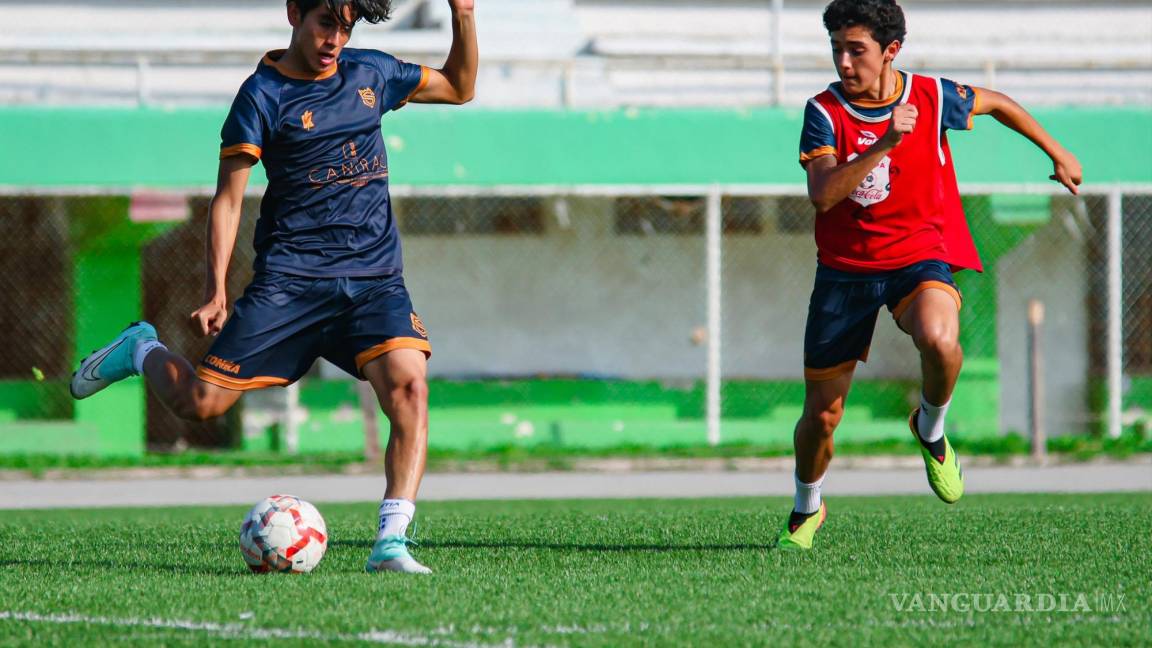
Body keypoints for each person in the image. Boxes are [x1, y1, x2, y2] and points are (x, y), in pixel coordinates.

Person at [70, 0, 478, 573]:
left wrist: (463, 15)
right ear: (294, 13)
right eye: (324, 23)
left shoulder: (373, 74)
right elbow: (228, 199)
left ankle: (391, 542)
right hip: (290, 284)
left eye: (346, 25)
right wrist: (217, 289)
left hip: (374, 280)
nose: (335, 37)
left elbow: (460, 86)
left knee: (411, 388)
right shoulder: (261, 95)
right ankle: (141, 349)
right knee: (200, 404)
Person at [777, 0, 1082, 550]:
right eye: (837, 49)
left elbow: (997, 103)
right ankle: (807, 505)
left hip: (919, 256)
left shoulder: (932, 95)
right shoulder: (823, 111)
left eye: (857, 50)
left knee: (941, 340)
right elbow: (823, 196)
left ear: (891, 51)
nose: (844, 62)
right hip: (845, 273)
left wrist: (1056, 149)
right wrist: (887, 141)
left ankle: (931, 429)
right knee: (822, 417)